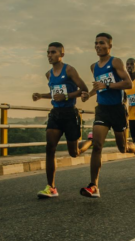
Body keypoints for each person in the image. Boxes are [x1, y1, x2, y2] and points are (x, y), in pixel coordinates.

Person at [79, 33, 135, 198]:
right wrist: (88, 95)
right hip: (102, 109)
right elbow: (98, 87)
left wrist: (108, 84)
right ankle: (94, 185)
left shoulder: (115, 62)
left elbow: (128, 83)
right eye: (95, 43)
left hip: (117, 110)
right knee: (97, 146)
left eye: (101, 43)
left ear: (109, 46)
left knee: (123, 148)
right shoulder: (93, 67)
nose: (97, 45)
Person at [32, 42, 92, 198]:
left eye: (53, 52)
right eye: (48, 52)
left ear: (61, 54)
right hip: (56, 114)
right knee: (50, 148)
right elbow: (54, 93)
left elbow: (84, 89)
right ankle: (51, 187)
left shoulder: (69, 70)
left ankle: (90, 140)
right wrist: (41, 95)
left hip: (70, 114)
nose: (49, 55)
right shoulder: (49, 74)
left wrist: (66, 96)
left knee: (74, 152)